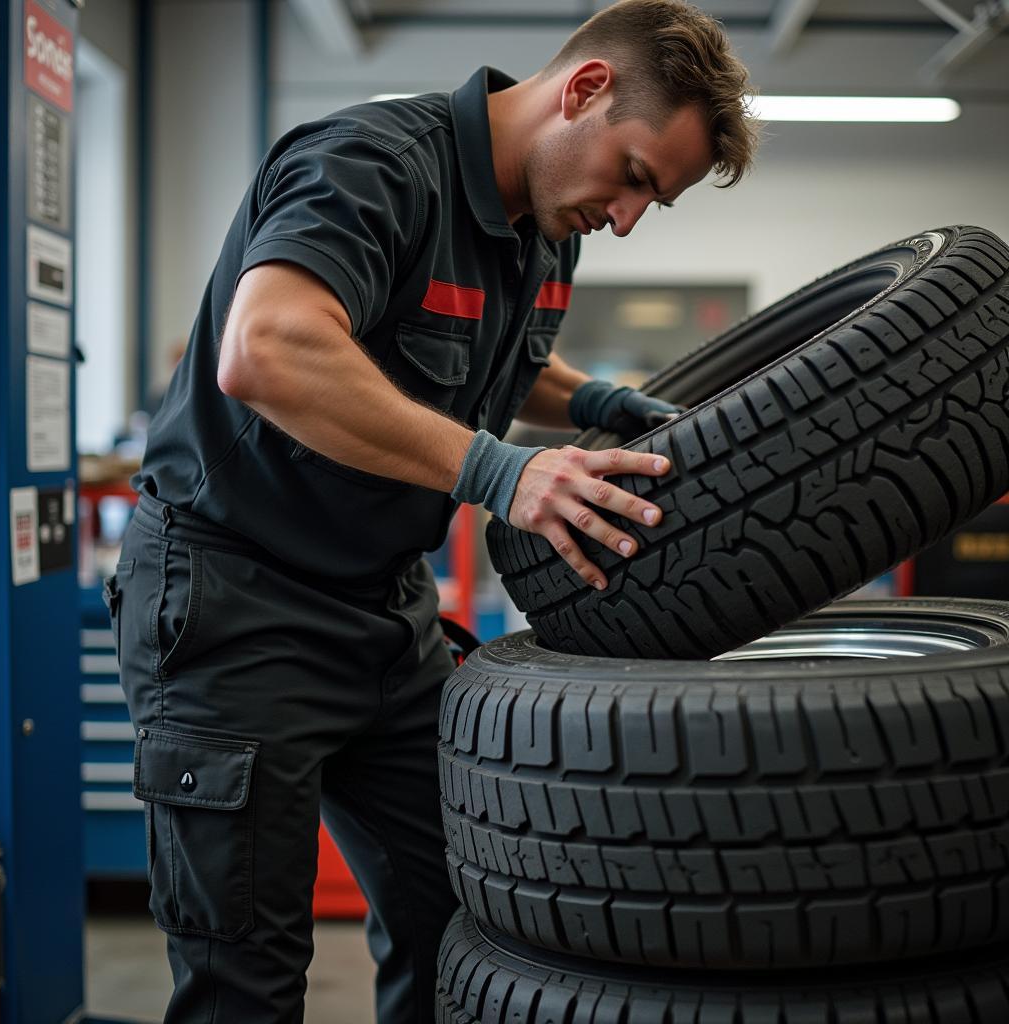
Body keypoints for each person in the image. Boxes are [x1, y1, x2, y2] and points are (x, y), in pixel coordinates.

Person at [105, 1, 758, 1020]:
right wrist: (500, 474)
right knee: (247, 976)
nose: (625, 218)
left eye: (654, 205)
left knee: (465, 917)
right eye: (632, 176)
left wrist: (593, 403)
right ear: (582, 90)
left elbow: (488, 356)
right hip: (232, 601)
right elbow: (266, 348)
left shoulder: (548, 226)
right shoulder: (371, 165)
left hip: (380, 612)